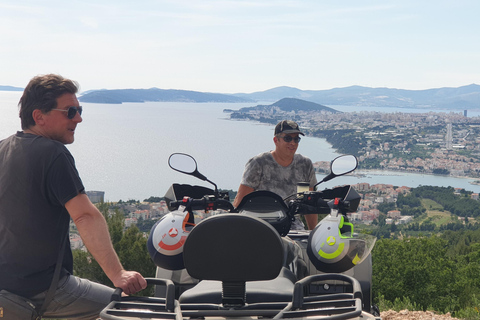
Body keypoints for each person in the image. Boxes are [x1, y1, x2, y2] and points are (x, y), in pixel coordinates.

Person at [0, 74, 147, 319]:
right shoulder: (53, 153)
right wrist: (118, 274)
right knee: (130, 310)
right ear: (39, 116)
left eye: (79, 110)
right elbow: (85, 215)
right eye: (70, 112)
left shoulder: (3, 148)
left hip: (6, 288)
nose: (78, 118)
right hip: (44, 290)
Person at [232, 120, 318, 230]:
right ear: (275, 140)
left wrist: (312, 234)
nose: (293, 143)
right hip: (261, 225)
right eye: (288, 138)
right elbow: (240, 201)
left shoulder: (305, 164)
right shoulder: (258, 163)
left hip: (294, 227)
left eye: (296, 139)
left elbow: (309, 205)